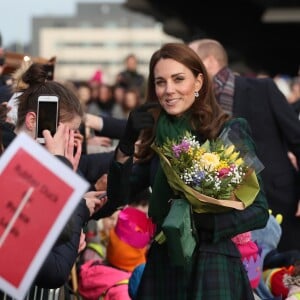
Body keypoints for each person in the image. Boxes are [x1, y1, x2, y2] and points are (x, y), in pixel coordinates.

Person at [106, 42, 269, 299]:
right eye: (160, 82)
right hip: (164, 265)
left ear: (198, 82)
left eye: (178, 79)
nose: (168, 90)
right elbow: (117, 196)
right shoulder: (158, 138)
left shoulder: (230, 130)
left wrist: (208, 224)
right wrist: (126, 143)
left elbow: (259, 210)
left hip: (213, 265)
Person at [0, 62, 108, 291]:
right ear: (32, 122)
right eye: (65, 133)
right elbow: (55, 269)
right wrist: (76, 207)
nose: (70, 143)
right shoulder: (11, 170)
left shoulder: (29, 169)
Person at [189, 38, 300, 252]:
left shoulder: (262, 88)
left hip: (280, 200)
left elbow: (297, 140)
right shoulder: (194, 103)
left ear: (210, 61)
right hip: (229, 211)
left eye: (192, 63)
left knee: (286, 274)